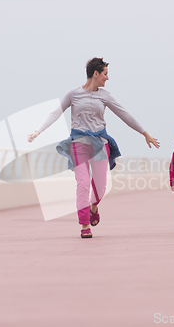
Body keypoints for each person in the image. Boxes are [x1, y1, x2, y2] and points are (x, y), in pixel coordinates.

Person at [28, 57, 159, 238]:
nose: (107, 78)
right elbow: (55, 113)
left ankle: (94, 207)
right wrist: (38, 131)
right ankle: (84, 225)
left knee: (100, 186)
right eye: (105, 74)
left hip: (99, 144)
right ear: (95, 73)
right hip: (79, 143)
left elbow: (124, 114)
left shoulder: (105, 95)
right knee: (82, 184)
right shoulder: (73, 94)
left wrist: (144, 133)